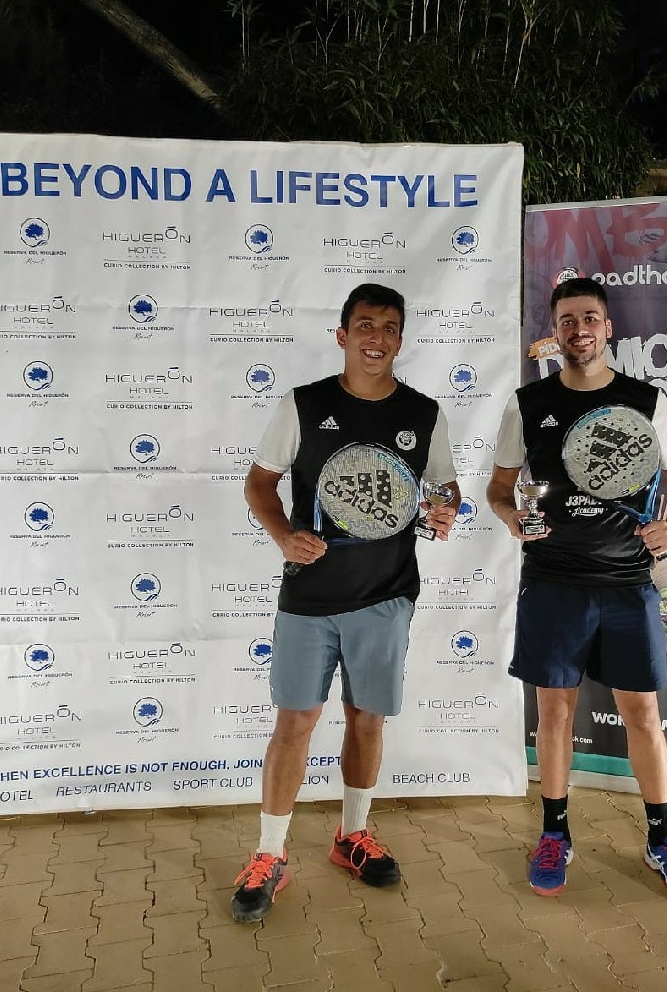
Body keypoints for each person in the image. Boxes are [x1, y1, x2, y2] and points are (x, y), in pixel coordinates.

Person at [233, 283, 459, 922]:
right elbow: (258, 484)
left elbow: (445, 486)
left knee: (367, 720)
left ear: (400, 339)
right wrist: (284, 536)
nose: (375, 338)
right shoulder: (304, 405)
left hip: (385, 596)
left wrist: (445, 508)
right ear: (342, 335)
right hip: (310, 597)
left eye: (388, 327)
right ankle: (269, 854)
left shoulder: (423, 413)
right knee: (295, 723)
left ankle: (351, 836)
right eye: (364, 325)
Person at [486, 277, 667, 901]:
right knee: (554, 712)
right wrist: (512, 517)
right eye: (566, 320)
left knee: (643, 714)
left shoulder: (646, 401)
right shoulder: (527, 404)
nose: (578, 330)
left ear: (607, 328)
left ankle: (663, 838)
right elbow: (500, 487)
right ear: (554, 332)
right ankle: (555, 833)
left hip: (628, 582)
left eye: (589, 318)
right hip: (553, 580)